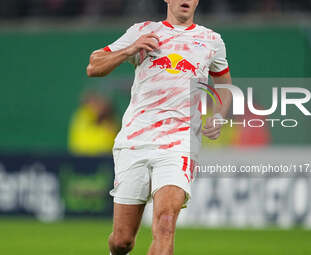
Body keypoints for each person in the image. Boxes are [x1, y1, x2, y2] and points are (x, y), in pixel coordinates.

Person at [86, 0, 232, 254]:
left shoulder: (211, 40)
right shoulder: (142, 31)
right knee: (122, 241)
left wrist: (219, 115)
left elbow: (225, 86)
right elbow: (94, 66)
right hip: (135, 141)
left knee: (165, 225)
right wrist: (130, 49)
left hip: (179, 143)